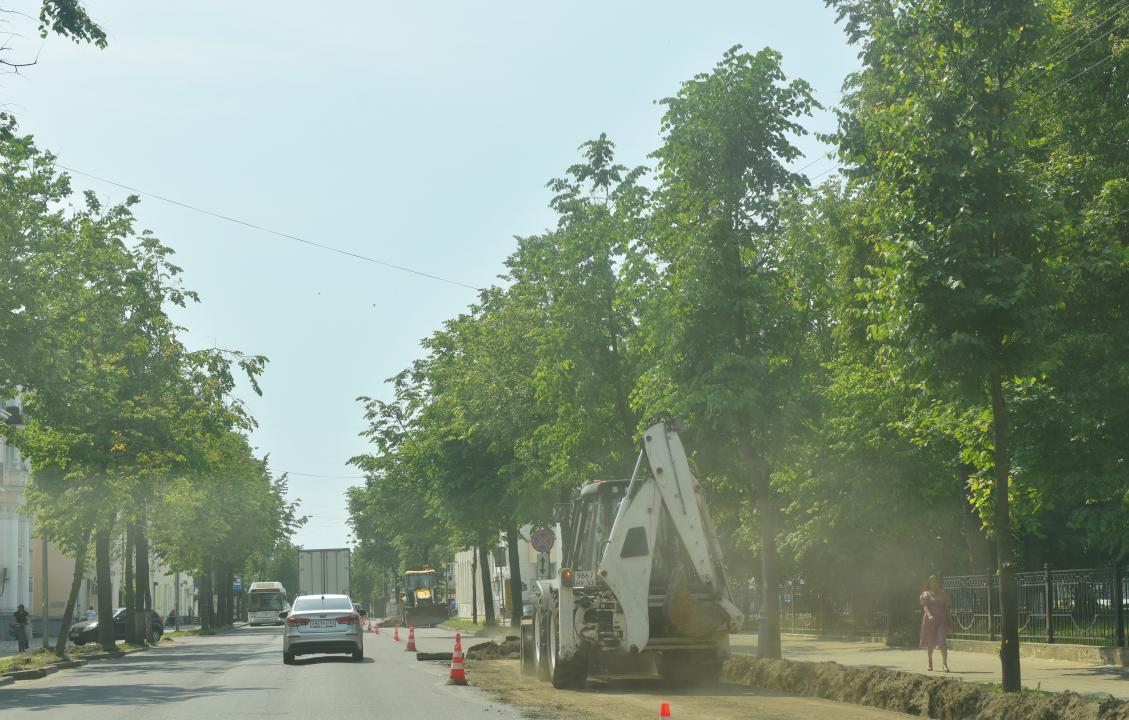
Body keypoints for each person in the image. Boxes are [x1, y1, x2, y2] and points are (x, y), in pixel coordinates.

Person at [919, 575, 951, 672]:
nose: (934, 583)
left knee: (942, 642)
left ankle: (945, 664)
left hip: (942, 621)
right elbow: (925, 607)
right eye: (932, 582)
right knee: (930, 643)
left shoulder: (943, 594)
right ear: (929, 583)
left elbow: (947, 608)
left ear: (938, 583)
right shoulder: (926, 594)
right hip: (930, 621)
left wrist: (950, 621)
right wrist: (929, 615)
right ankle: (930, 663)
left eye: (936, 581)